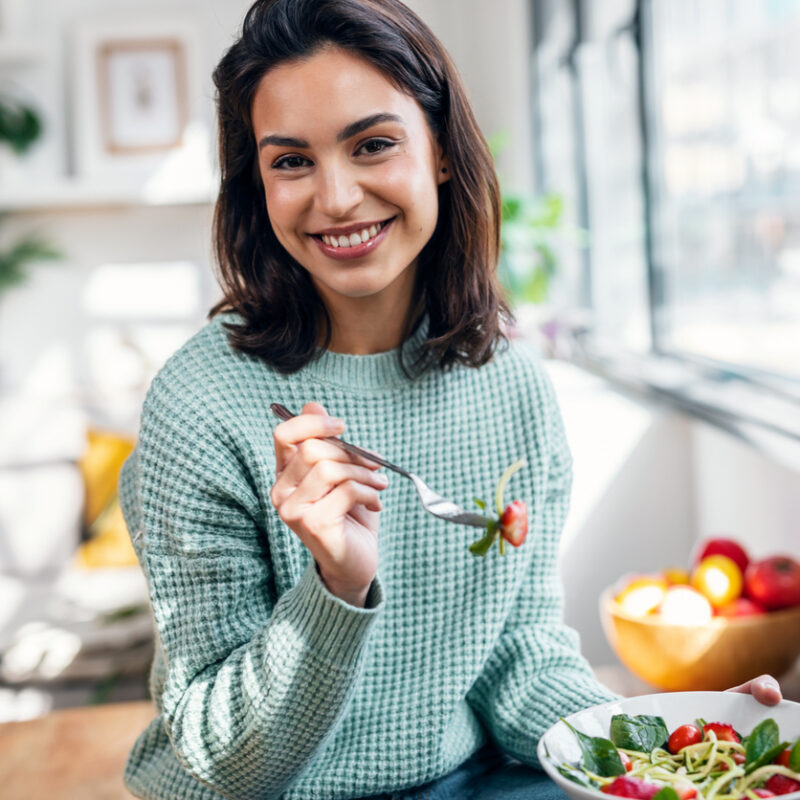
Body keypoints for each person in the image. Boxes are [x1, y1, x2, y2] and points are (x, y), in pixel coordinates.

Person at [118, 1, 783, 798]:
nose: (335, 198)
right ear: (256, 182)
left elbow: (517, 658)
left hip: (456, 778)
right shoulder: (200, 407)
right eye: (291, 161)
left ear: (439, 151)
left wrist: (660, 748)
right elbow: (224, 761)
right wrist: (334, 587)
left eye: (373, 145)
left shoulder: (511, 389)